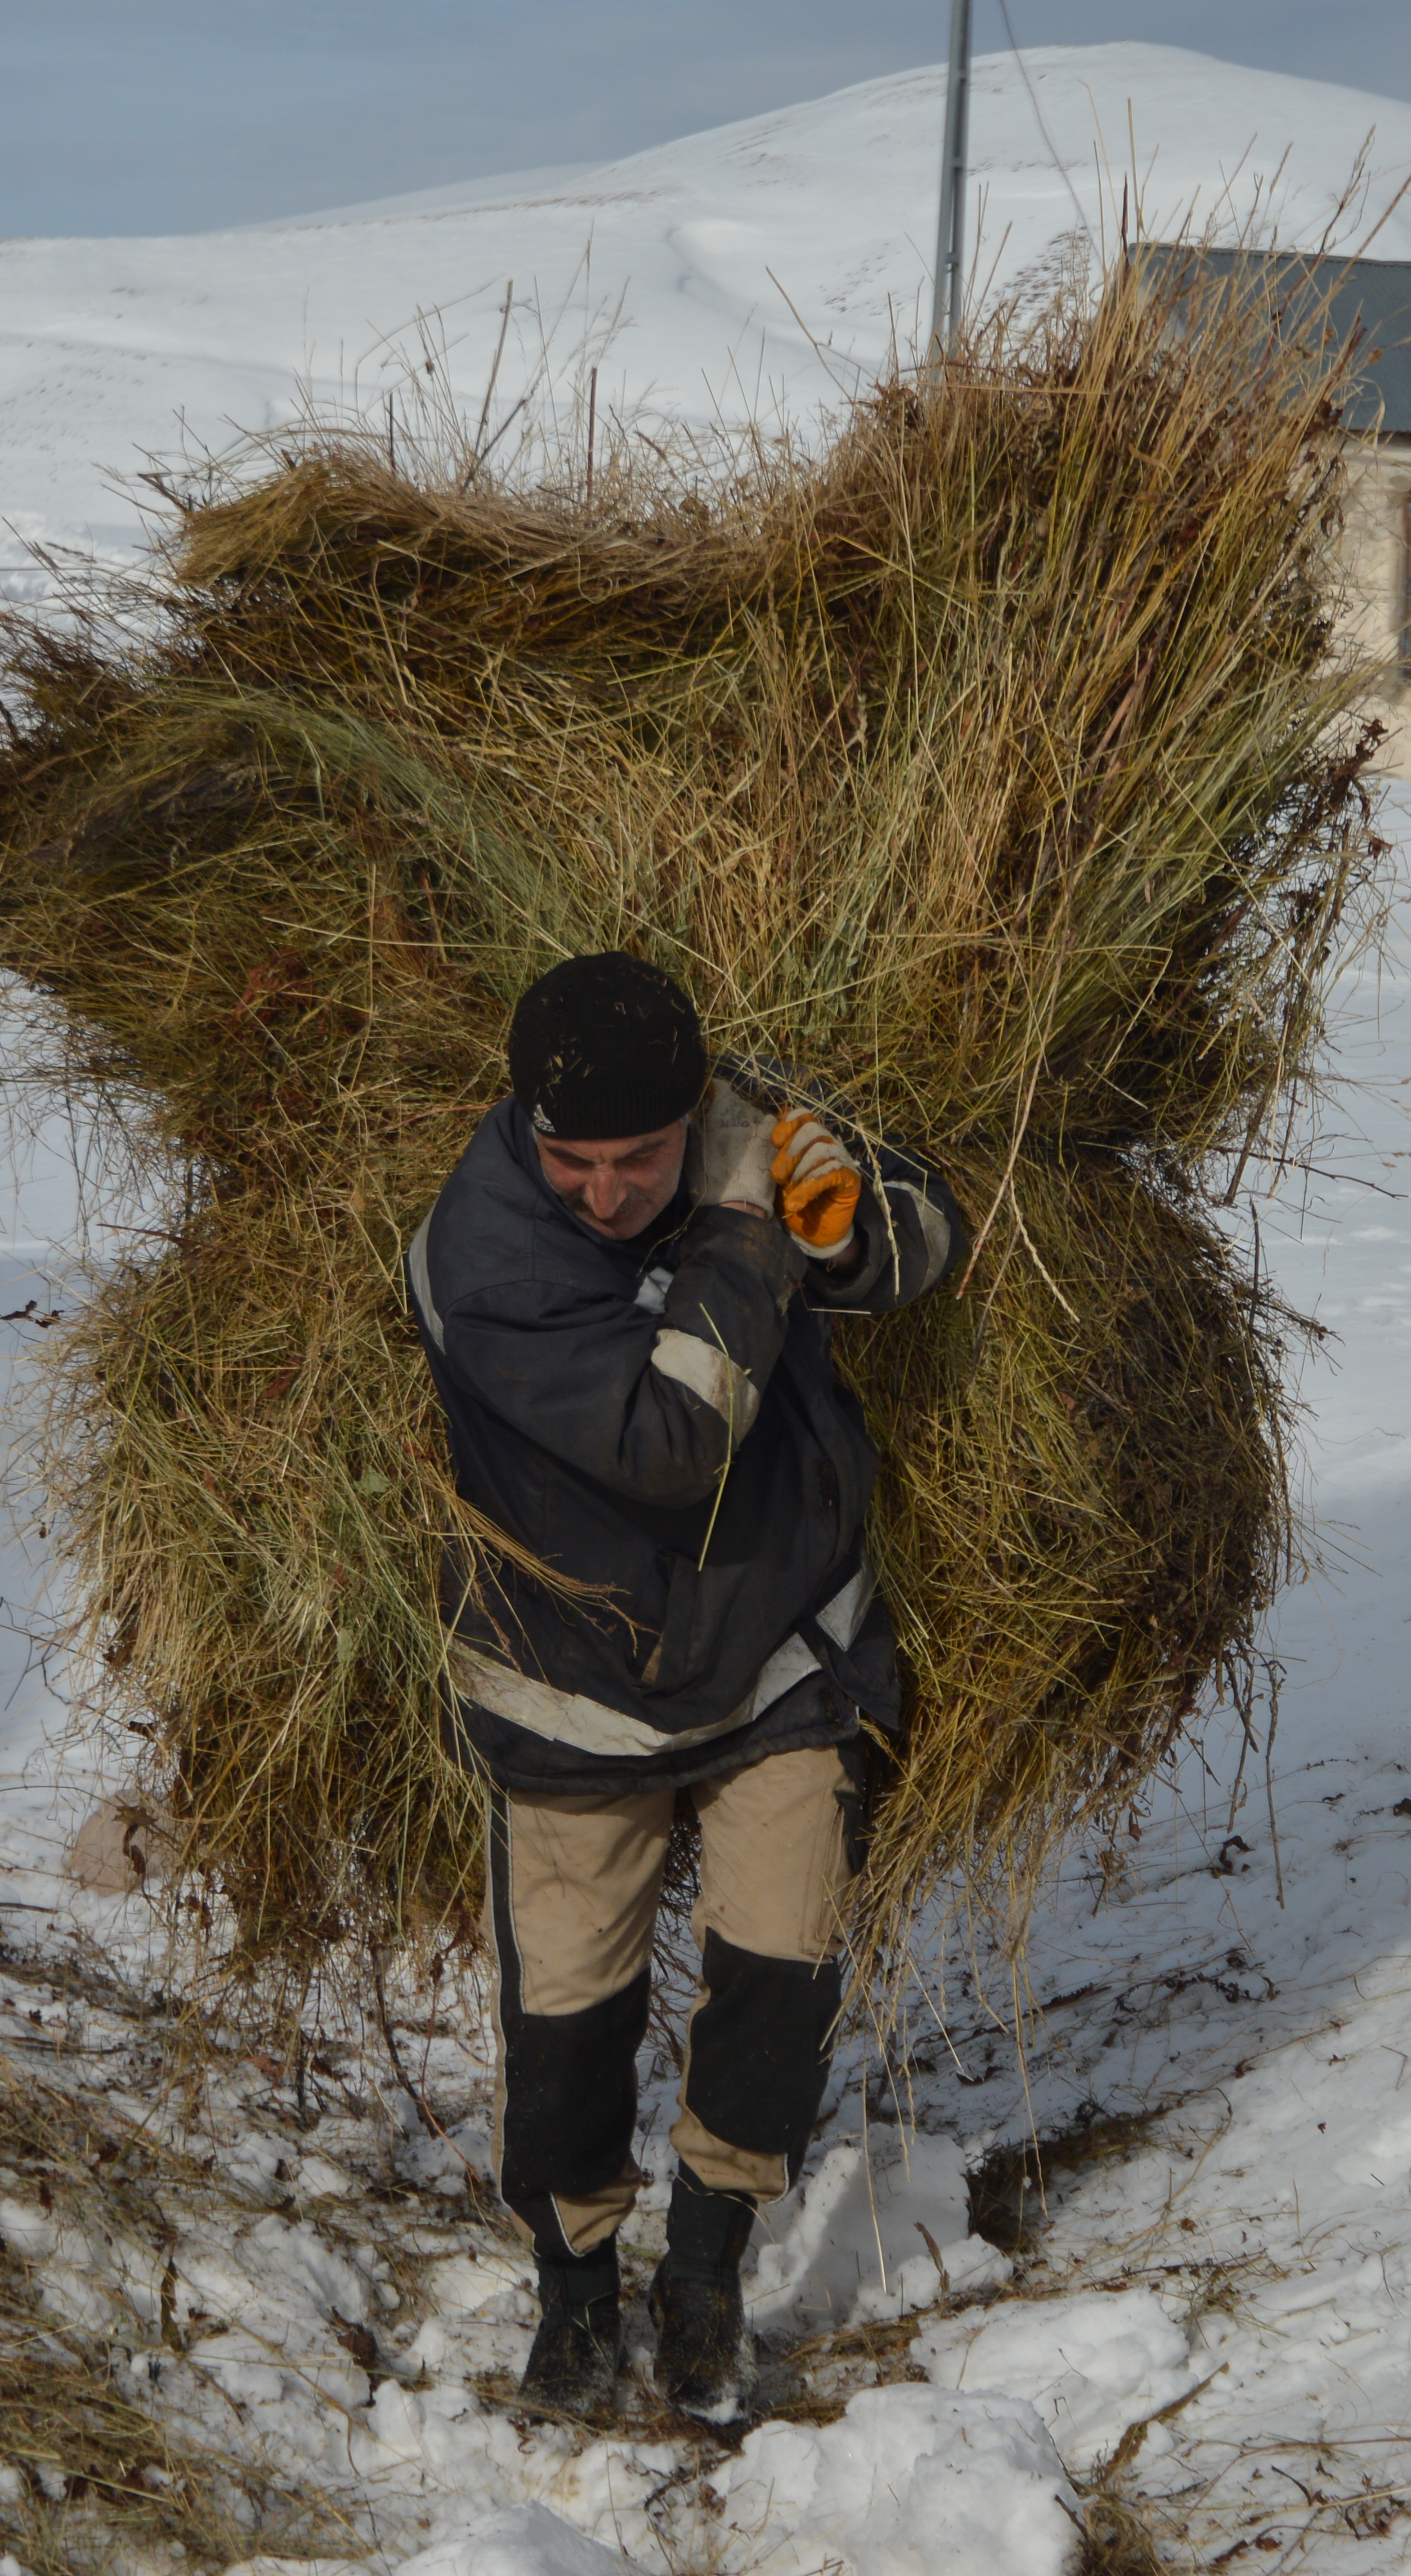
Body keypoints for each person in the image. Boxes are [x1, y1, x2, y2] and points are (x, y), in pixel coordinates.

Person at [401, 951, 963, 2424]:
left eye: (636, 1157)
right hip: (572, 1684)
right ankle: (575, 2289)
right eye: (570, 1160)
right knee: (568, 2016)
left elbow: (931, 1236)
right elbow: (668, 1441)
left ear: (690, 1107)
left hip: (779, 1646)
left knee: (781, 1969)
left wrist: (841, 1225)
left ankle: (704, 2263)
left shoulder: (742, 1127)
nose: (602, 1192)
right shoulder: (483, 1256)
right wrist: (740, 1223)